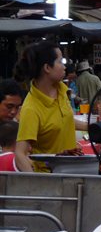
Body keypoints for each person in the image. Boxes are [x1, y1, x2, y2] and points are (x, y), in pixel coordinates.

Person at [15, 41, 84, 172]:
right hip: (52, 179)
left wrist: (91, 127)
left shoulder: (61, 90)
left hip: (72, 171)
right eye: (60, 61)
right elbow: (20, 154)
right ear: (47, 68)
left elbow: (63, 119)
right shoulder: (31, 108)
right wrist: (39, 183)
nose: (64, 67)